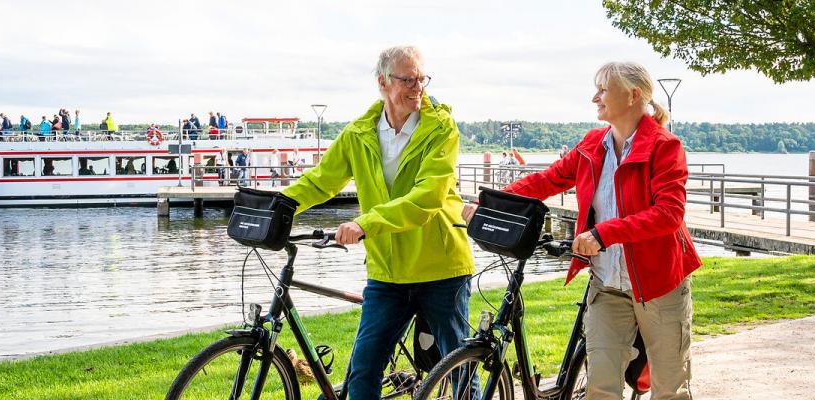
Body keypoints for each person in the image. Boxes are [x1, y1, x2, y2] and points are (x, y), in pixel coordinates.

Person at [464, 61, 699, 400]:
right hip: (607, 284)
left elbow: (669, 214)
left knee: (669, 389)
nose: (595, 97)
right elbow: (547, 180)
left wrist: (603, 234)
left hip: (659, 284)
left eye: (603, 89)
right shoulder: (593, 145)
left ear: (633, 95)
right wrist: (489, 203)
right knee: (600, 389)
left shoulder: (664, 146)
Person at [280, 45, 471, 400]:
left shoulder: (441, 128)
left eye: (422, 78)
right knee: (364, 370)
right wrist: (278, 206)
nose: (418, 87)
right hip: (387, 271)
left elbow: (427, 197)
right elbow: (321, 181)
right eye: (408, 79)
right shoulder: (359, 134)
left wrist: (366, 222)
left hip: (440, 268)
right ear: (383, 82)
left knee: (459, 366)